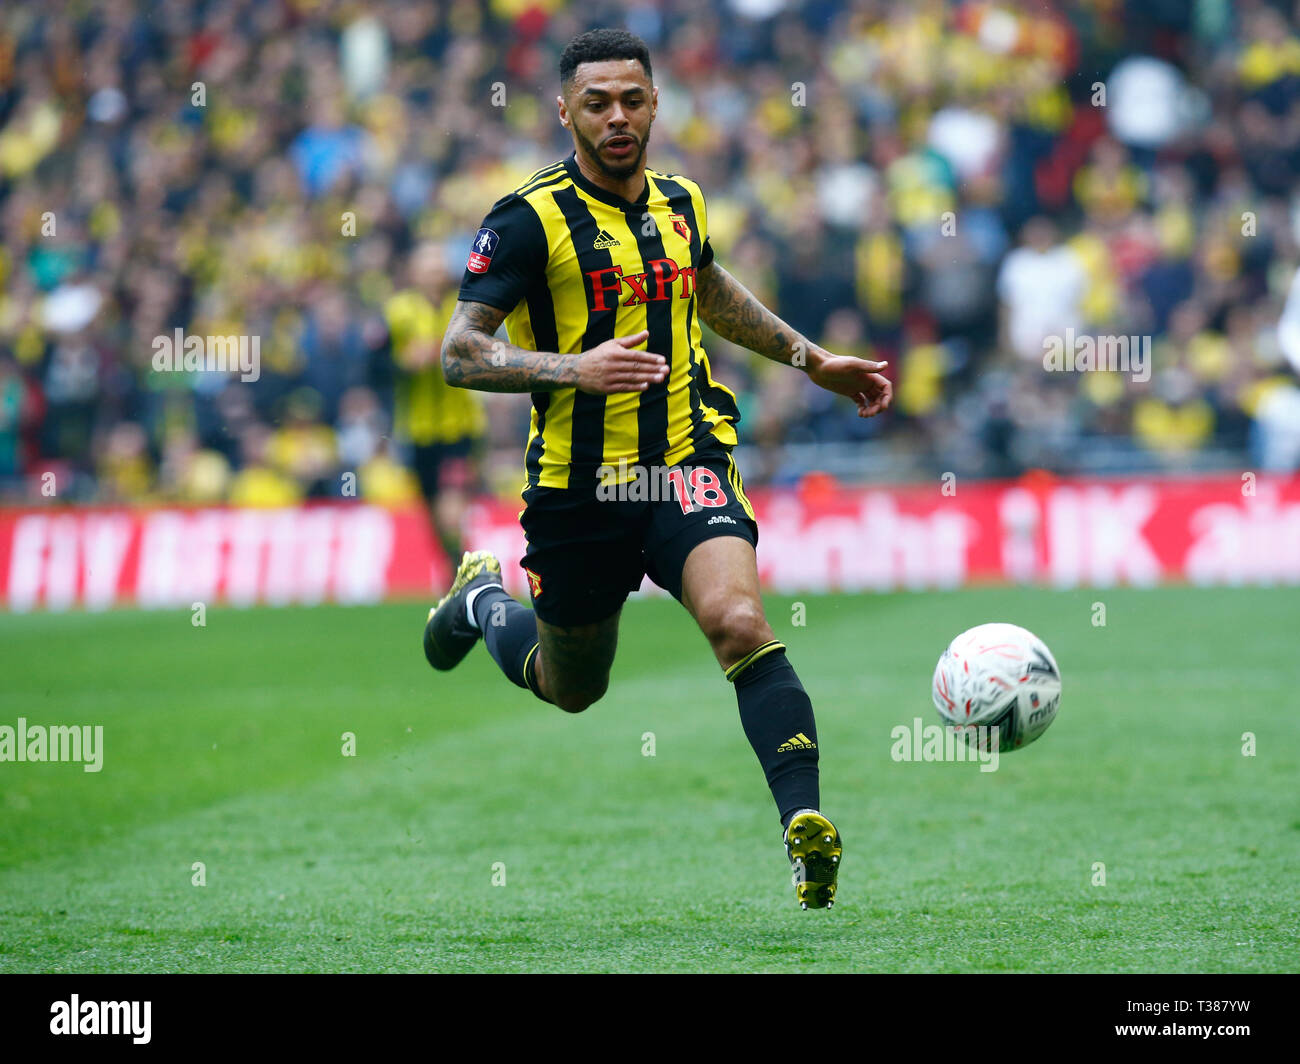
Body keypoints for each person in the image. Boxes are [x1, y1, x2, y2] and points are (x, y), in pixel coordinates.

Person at [423, 28, 891, 909]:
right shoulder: (526, 221)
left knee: (740, 623)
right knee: (573, 690)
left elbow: (707, 291)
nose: (617, 117)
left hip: (684, 461)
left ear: (655, 104)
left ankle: (804, 829)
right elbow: (459, 353)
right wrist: (574, 367)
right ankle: (484, 599)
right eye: (596, 102)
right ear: (565, 112)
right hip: (579, 489)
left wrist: (808, 357)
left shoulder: (682, 201)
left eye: (632, 99)